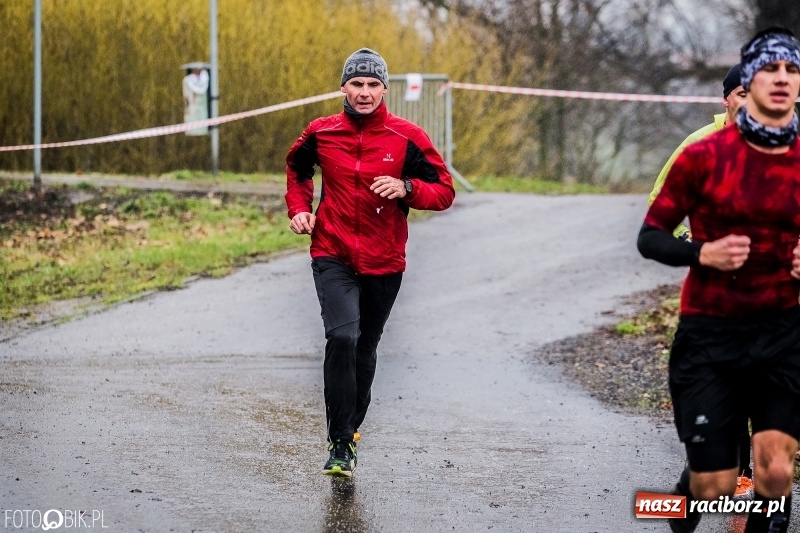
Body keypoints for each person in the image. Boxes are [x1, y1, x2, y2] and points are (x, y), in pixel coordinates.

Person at [637, 27, 800, 533]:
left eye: (790, 74)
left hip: (783, 330)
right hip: (712, 329)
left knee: (776, 469)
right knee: (714, 484)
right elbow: (650, 235)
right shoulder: (702, 153)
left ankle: (756, 512)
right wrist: (701, 250)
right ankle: (678, 505)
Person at [285, 48, 455, 477]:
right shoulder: (322, 132)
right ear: (343, 87)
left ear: (384, 89)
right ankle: (340, 442)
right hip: (333, 251)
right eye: (357, 84)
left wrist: (407, 188)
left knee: (364, 347)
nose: (364, 92)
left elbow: (444, 191)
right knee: (342, 337)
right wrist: (299, 209)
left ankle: (349, 431)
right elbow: (297, 170)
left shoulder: (407, 137)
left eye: (373, 84)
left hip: (384, 259)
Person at [648, 64, 756, 501]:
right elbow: (660, 204)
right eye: (743, 93)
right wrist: (692, 246)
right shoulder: (699, 145)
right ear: (726, 98)